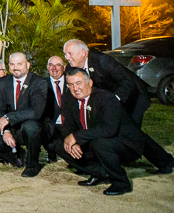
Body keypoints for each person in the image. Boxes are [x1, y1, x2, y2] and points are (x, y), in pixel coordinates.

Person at [63, 39, 173, 174]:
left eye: (70, 53)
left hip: (132, 97)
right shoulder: (71, 69)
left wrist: (112, 101)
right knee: (109, 129)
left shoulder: (103, 61)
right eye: (65, 54)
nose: (67, 57)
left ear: (83, 53)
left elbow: (127, 82)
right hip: (108, 100)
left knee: (130, 133)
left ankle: (165, 161)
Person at [56, 68, 146, 195]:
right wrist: (70, 139)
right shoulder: (69, 98)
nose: (75, 88)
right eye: (70, 84)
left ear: (90, 83)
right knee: (60, 144)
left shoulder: (106, 98)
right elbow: (67, 124)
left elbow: (109, 129)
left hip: (125, 144)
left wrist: (76, 136)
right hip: (94, 138)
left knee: (99, 144)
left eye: (78, 83)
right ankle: (99, 172)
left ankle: (121, 183)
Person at [0, 52, 48, 177]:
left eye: (19, 64)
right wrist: (6, 130)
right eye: (12, 64)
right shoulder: (4, 81)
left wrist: (8, 118)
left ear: (27, 65)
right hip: (12, 127)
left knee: (30, 126)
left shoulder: (38, 82)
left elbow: (36, 112)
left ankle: (32, 165)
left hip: (32, 126)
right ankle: (17, 157)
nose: (15, 67)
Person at [43, 55, 68, 163]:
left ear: (64, 67)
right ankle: (51, 153)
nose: (54, 68)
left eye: (58, 65)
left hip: (70, 123)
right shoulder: (41, 84)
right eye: (51, 65)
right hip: (51, 125)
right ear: (47, 67)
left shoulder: (72, 81)